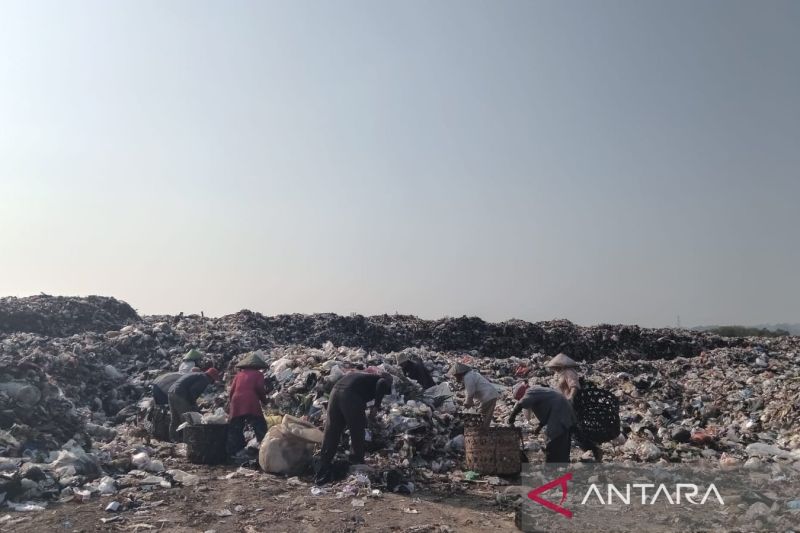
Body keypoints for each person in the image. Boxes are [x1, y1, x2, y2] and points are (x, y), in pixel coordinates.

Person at [316, 372, 393, 484]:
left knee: (332, 429)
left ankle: (324, 461)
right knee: (357, 428)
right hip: (349, 395)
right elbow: (381, 384)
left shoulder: (365, 378)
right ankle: (356, 462)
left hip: (335, 392)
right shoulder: (382, 380)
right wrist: (376, 406)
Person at [546, 353, 603, 461]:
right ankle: (591, 450)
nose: (554, 369)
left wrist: (570, 398)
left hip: (571, 405)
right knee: (571, 430)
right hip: (563, 405)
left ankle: (594, 450)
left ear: (560, 365)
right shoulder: (560, 374)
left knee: (573, 430)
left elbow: (574, 386)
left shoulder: (569, 372)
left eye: (555, 367)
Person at [508, 385, 576, 463]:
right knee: (564, 436)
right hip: (564, 407)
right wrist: (539, 427)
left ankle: (553, 463)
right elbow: (546, 413)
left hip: (559, 409)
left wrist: (511, 418)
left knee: (554, 435)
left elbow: (521, 404)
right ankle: (563, 461)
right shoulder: (539, 392)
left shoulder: (530, 391)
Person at [226, 352, 269, 456]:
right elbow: (259, 388)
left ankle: (233, 452)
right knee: (259, 426)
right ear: (258, 366)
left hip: (236, 401)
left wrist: (231, 404)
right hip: (251, 402)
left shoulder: (239, 375)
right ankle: (265, 451)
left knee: (235, 428)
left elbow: (231, 390)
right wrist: (264, 401)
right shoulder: (258, 374)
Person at [168, 367, 220, 441]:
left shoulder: (199, 375)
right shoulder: (205, 379)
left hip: (171, 392)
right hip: (180, 394)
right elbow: (193, 392)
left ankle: (173, 439)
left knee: (174, 419)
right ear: (212, 377)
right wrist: (194, 406)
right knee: (187, 419)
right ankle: (187, 442)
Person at [451, 362, 499, 431]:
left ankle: (480, 434)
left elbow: (470, 392)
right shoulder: (470, 374)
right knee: (485, 417)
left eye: (456, 376)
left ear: (459, 373)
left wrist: (467, 402)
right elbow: (470, 391)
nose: (455, 378)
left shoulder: (468, 377)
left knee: (481, 416)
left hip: (488, 396)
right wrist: (466, 399)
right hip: (490, 395)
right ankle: (482, 432)